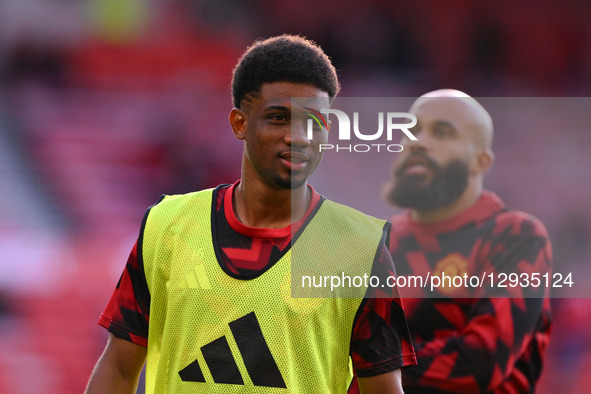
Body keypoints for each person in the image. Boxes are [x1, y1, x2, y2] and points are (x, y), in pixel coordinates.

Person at [85, 34, 416, 394]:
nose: (298, 137)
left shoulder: (361, 250)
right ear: (240, 124)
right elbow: (118, 368)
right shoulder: (166, 227)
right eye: (278, 118)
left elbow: (383, 389)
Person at [382, 89, 552, 393]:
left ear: (481, 162)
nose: (418, 141)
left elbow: (480, 364)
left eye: (443, 132)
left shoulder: (517, 236)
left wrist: (367, 362)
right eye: (412, 129)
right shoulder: (379, 242)